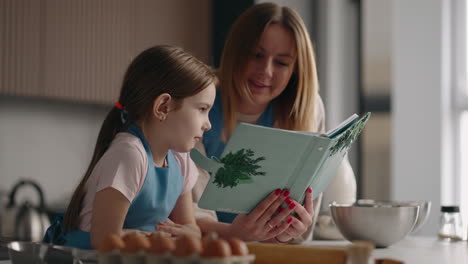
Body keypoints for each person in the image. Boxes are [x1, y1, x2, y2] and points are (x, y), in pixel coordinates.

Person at [158, 2, 356, 244]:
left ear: (296, 69)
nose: (266, 71)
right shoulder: (197, 100)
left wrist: (292, 230)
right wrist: (232, 234)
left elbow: (301, 221)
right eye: (256, 55)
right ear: (235, 52)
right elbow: (182, 212)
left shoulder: (307, 108)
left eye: (282, 62)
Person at [43, 45, 218, 249]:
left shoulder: (181, 159)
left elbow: (189, 227)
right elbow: (105, 241)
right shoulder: (129, 155)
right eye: (202, 109)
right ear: (163, 107)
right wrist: (157, 240)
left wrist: (191, 233)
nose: (208, 124)